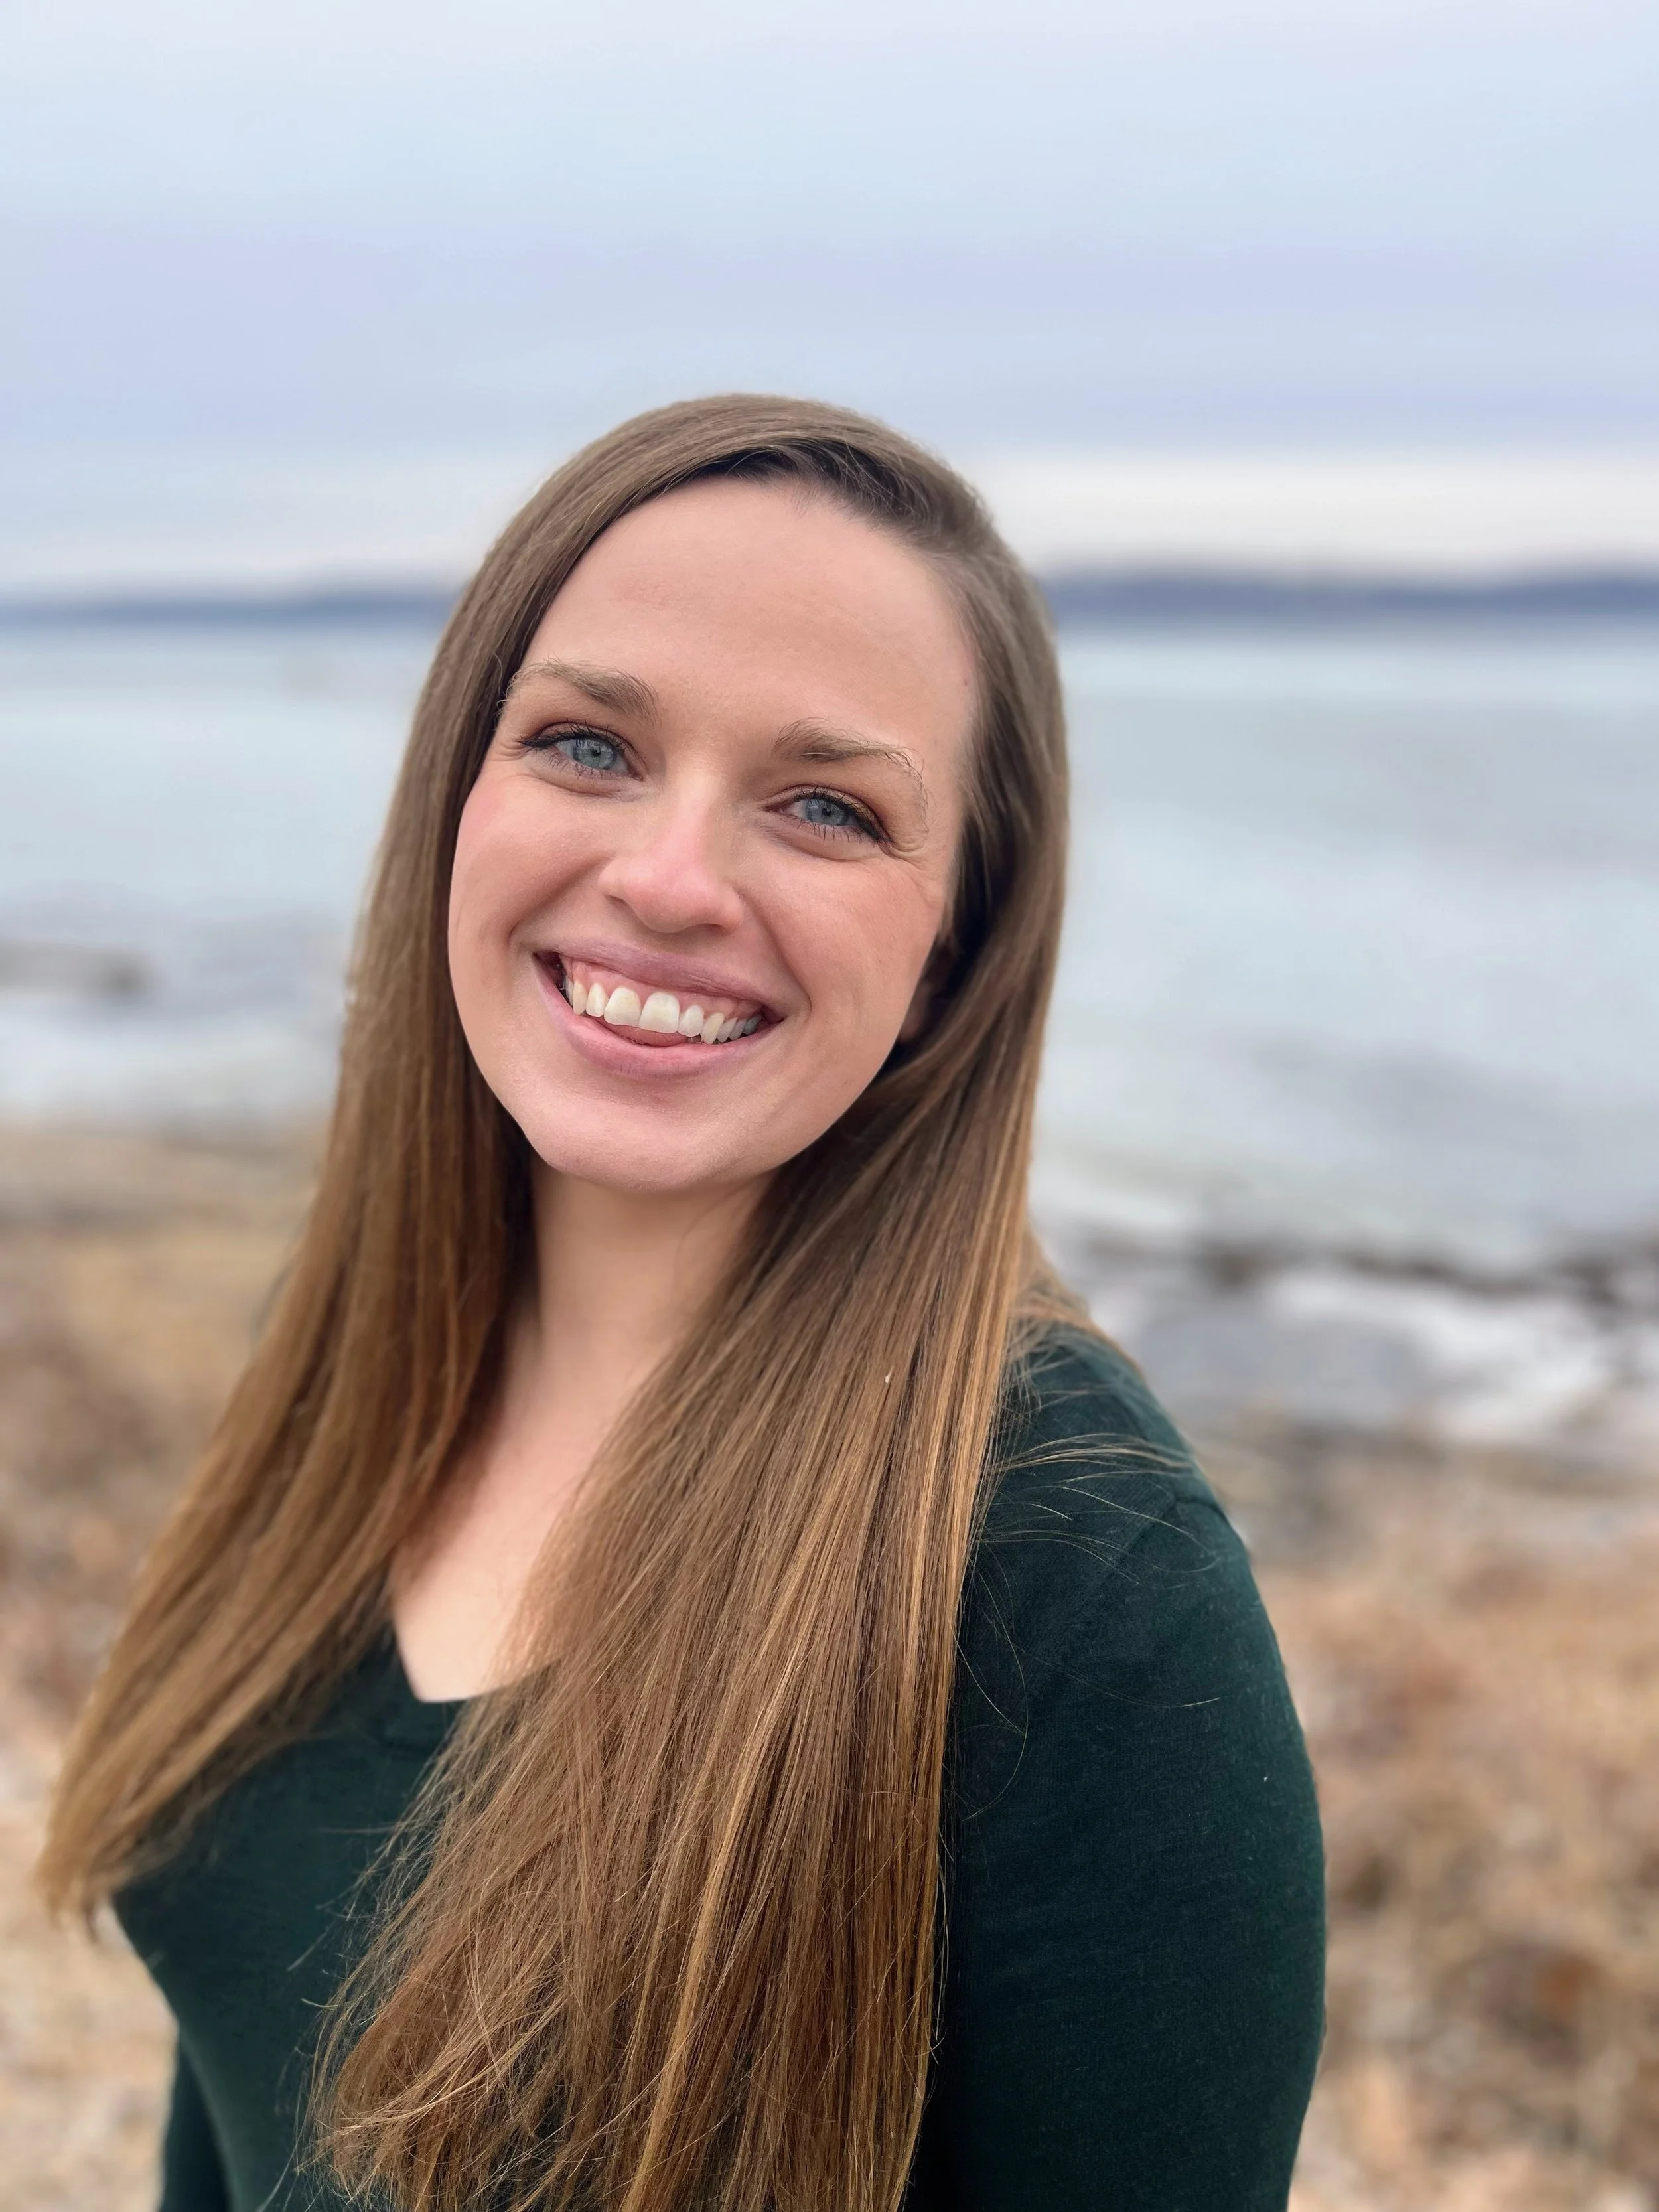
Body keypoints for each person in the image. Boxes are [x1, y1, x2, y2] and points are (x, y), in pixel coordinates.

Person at [42, 396, 1324, 2212]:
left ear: (951, 946)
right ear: (454, 797)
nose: (666, 878)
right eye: (586, 744)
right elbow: (244, 2107)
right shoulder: (366, 1363)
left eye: (823, 804)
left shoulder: (1070, 1582)